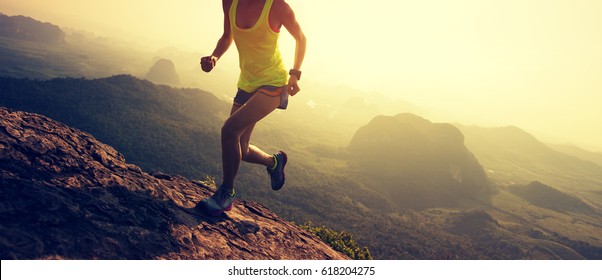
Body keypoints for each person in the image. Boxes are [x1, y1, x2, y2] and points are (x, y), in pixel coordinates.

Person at [198, 0, 306, 216]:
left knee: (229, 131)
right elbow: (226, 37)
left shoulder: (277, 6)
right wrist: (214, 57)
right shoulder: (230, 2)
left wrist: (294, 73)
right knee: (242, 148)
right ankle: (274, 162)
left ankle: (226, 194)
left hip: (273, 83)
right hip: (246, 82)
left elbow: (301, 38)